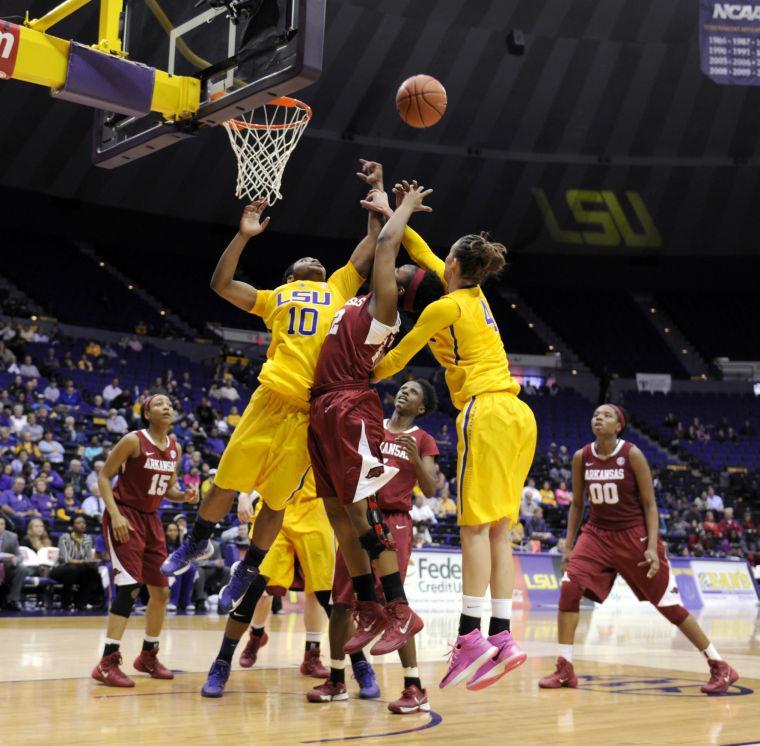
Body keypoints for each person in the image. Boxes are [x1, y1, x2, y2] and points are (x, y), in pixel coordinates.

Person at [161, 161, 388, 615]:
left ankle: (248, 568)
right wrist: (243, 235)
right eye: (307, 261)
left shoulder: (341, 287)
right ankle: (196, 542)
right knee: (225, 483)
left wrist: (377, 198)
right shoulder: (273, 298)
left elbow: (371, 246)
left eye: (320, 261)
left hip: (310, 412)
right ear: (290, 276)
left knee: (277, 500)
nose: (317, 261)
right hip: (270, 399)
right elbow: (221, 284)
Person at [371, 187, 535, 691]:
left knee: (471, 529)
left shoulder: (444, 309)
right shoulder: (475, 295)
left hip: (484, 411)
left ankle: (469, 635)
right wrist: (391, 209)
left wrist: (364, 373)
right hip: (520, 415)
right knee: (497, 529)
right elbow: (420, 251)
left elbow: (400, 359)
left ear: (456, 266)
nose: (436, 261)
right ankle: (502, 635)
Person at [307, 182, 443, 667]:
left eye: (404, 269)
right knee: (339, 516)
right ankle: (368, 605)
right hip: (322, 406)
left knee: (362, 516)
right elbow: (372, 249)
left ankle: (398, 608)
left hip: (348, 406)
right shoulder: (363, 297)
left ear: (402, 288)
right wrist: (377, 198)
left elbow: (387, 246)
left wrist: (404, 208)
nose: (397, 262)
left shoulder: (386, 308)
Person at [538, 404, 739, 695]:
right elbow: (577, 505)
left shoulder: (632, 454)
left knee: (669, 607)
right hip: (596, 534)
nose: (599, 418)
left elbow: (649, 505)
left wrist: (654, 548)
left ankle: (720, 665)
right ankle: (565, 668)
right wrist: (568, 546)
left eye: (606, 415)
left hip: (634, 536)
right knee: (569, 586)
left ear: (619, 425)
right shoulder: (582, 457)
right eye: (596, 414)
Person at [308, 380, 438, 713]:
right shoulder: (370, 427)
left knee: (394, 607)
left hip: (394, 521)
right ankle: (337, 680)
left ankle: (414, 687)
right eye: (404, 388)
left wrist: (416, 459)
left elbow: (431, 489)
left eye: (414, 392)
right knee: (341, 601)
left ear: (421, 408)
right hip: (360, 517)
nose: (405, 393)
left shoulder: (422, 439)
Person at [92, 394, 199, 688]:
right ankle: (106, 662)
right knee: (128, 588)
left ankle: (148, 655)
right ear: (147, 413)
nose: (167, 406)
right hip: (125, 515)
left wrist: (185, 495)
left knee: (161, 593)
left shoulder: (174, 447)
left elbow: (170, 490)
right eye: (160, 403)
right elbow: (104, 477)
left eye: (170, 403)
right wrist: (115, 515)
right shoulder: (134, 440)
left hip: (152, 521)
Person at [201, 475, 335, 697]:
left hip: (315, 512)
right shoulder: (282, 440)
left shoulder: (328, 441)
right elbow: (259, 463)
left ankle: (312, 655)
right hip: (276, 508)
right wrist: (244, 495)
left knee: (319, 590)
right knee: (256, 587)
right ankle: (232, 654)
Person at [50, 515, 101, 609]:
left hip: (79, 569)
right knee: (72, 569)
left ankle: (81, 603)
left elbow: (88, 558)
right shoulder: (64, 538)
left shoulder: (88, 539)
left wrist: (91, 562)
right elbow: (66, 559)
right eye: (78, 523)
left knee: (92, 571)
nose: (82, 525)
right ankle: (65, 603)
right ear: (72, 526)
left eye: (84, 523)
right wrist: (83, 561)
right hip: (61, 568)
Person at [0, 514, 31, 611]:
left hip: (7, 567)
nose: (0, 526)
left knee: (22, 568)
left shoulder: (12, 537)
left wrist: (14, 560)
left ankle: (13, 599)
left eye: (2, 524)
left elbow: (19, 556)